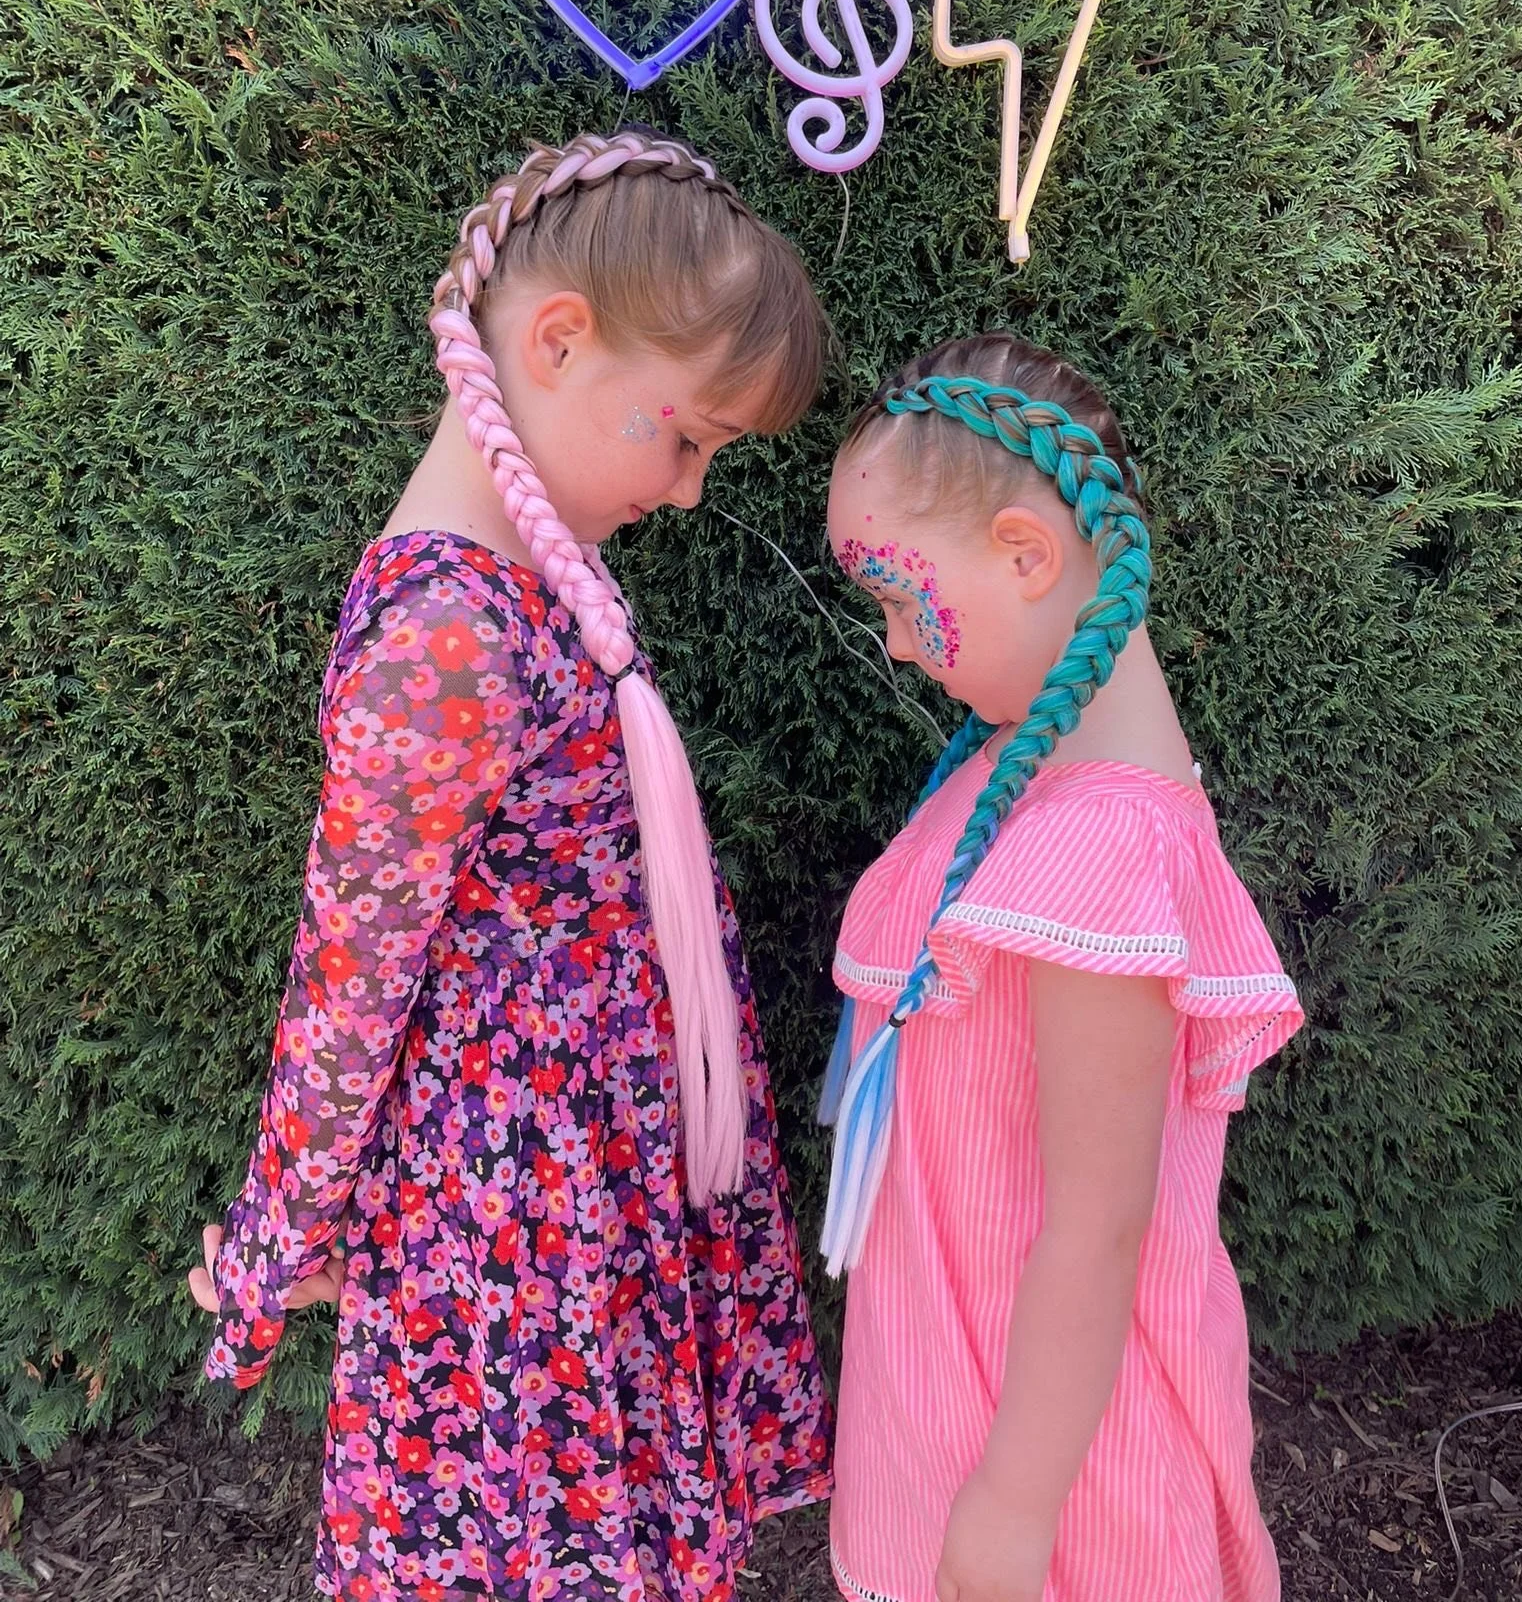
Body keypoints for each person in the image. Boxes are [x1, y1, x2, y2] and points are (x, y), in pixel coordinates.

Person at [187, 130, 834, 1602]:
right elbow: (350, 983)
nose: (689, 491)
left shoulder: (529, 581)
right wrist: (279, 1241)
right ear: (556, 340)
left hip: (574, 1177)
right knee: (531, 1544)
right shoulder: (446, 639)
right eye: (688, 438)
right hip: (515, 1217)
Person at [818, 333, 1303, 1602]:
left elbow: (1098, 1224)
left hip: (1052, 1467)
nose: (897, 645)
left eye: (899, 598)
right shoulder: (1022, 774)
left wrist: (1014, 1504)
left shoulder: (1103, 851)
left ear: (1028, 554)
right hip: (952, 1374)